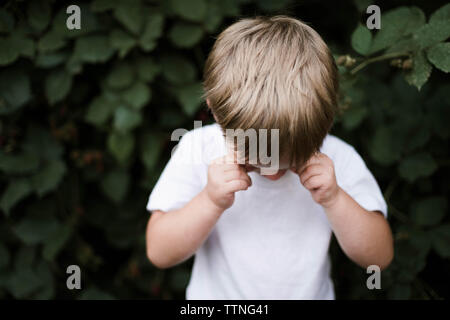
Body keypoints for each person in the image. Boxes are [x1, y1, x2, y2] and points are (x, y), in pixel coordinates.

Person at [145, 16, 394, 299]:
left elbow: (379, 257)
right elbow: (159, 252)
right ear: (215, 112)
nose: (273, 173)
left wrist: (335, 198)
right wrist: (210, 201)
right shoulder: (197, 149)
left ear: (324, 125)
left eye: (290, 160)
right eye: (255, 161)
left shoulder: (336, 159)